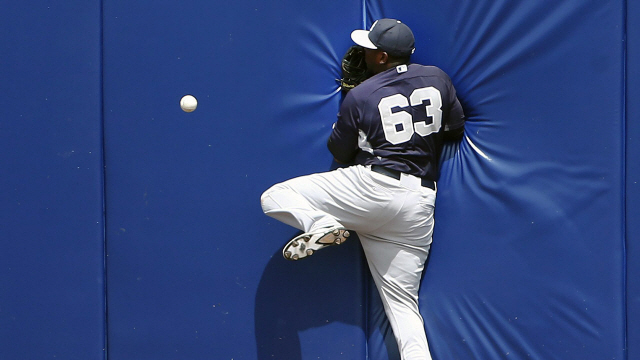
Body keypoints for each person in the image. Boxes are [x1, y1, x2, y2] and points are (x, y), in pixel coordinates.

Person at [261, 18, 465, 360]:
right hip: (419, 203)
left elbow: (339, 153)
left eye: (369, 49)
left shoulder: (362, 95)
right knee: (402, 308)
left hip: (373, 188)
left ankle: (319, 224)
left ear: (383, 57)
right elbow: (455, 129)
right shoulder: (438, 78)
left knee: (275, 197)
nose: (363, 53)